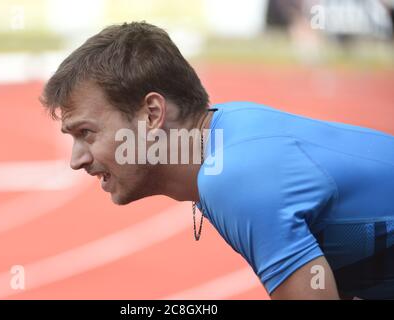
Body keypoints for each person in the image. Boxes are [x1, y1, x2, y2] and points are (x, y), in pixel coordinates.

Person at [40, 22, 394, 299]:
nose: (76, 160)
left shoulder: (234, 177)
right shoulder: (225, 134)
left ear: (151, 114)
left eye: (86, 133)